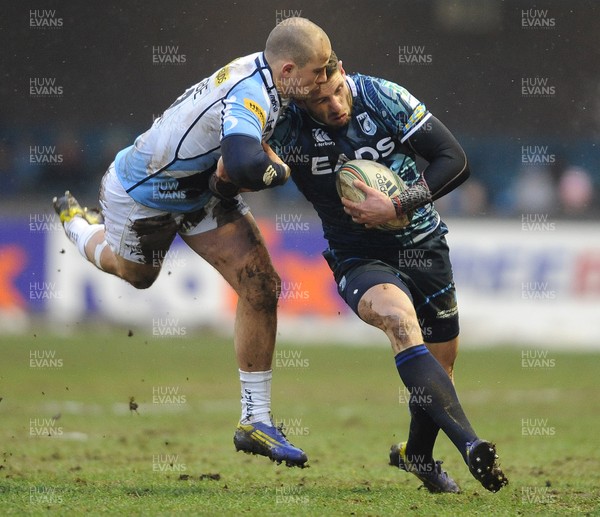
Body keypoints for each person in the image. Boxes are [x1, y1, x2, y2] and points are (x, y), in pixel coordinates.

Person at [52, 17, 332, 469]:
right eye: (316, 71)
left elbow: (232, 167)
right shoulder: (250, 91)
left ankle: (254, 421)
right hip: (143, 193)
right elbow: (241, 164)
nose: (322, 79)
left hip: (199, 192)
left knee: (261, 285)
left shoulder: (274, 80)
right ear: (286, 72)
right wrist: (280, 171)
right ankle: (80, 227)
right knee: (136, 275)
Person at [262, 52, 509, 491]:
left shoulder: (382, 95)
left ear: (343, 72)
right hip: (358, 256)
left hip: (425, 246)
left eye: (338, 91)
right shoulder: (286, 125)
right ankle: (471, 445)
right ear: (301, 99)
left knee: (440, 366)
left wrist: (397, 204)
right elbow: (240, 162)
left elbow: (454, 159)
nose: (335, 106)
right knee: (399, 321)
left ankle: (417, 456)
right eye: (320, 101)